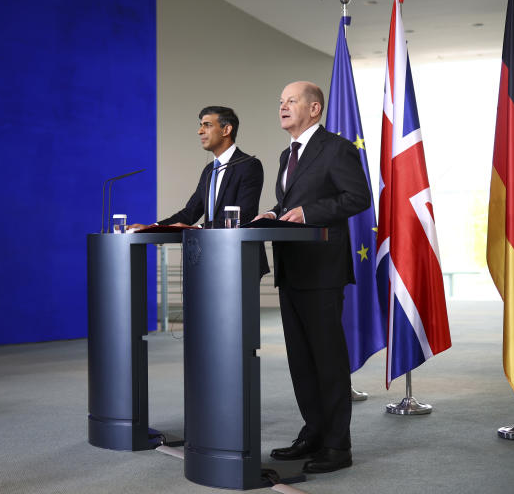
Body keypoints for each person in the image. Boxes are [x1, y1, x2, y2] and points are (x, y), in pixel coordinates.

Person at [259, 81, 370, 474]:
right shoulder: (285, 155)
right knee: (301, 361)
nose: (283, 107)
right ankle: (313, 434)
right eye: (281, 101)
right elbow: (290, 203)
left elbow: (358, 198)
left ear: (315, 109)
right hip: (292, 269)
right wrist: (274, 213)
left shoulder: (336, 148)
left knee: (327, 360)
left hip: (322, 270)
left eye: (291, 101)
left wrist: (307, 212)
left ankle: (338, 446)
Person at [131, 106, 264, 230]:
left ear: (226, 130)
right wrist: (153, 228)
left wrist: (198, 229)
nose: (200, 131)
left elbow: (244, 216)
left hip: (241, 252)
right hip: (210, 251)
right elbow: (189, 213)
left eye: (207, 125)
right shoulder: (209, 170)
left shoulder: (249, 165)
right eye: (200, 125)